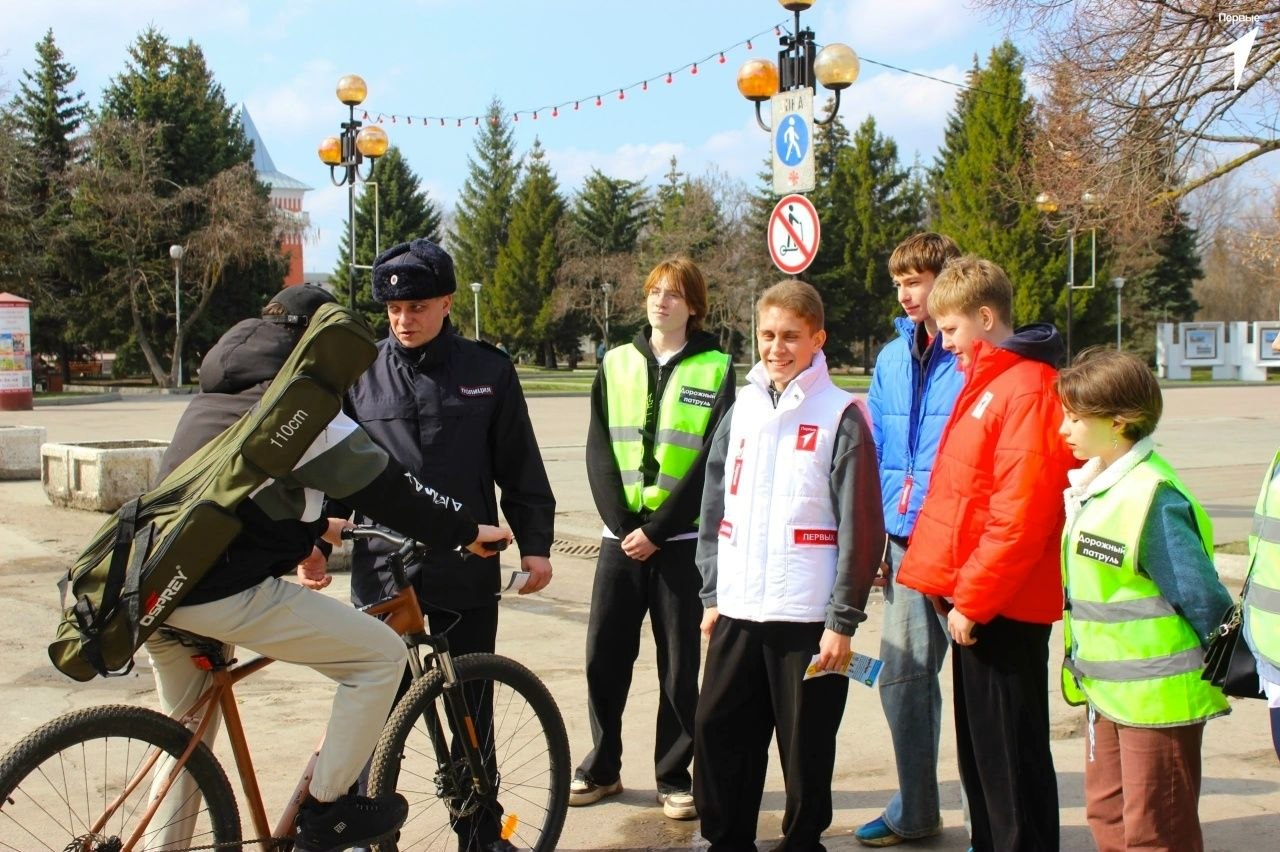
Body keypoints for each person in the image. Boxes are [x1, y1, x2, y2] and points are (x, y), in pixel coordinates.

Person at [145, 284, 512, 852]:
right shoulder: (298, 402)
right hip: (220, 589)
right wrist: (467, 530)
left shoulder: (225, 392)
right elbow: (389, 486)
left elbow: (239, 491)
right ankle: (328, 811)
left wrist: (317, 528)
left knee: (186, 744)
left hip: (157, 587)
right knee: (380, 657)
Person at [337, 238, 555, 849]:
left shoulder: (488, 371)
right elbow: (333, 464)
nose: (404, 320)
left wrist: (535, 545)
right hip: (383, 567)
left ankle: (481, 830)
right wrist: (312, 539)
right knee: (377, 707)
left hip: (467, 563)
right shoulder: (361, 373)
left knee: (470, 705)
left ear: (447, 304)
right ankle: (366, 823)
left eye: (418, 307)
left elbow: (519, 466)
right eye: (393, 310)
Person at [694, 280, 885, 851]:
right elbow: (713, 504)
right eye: (768, 335)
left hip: (809, 620)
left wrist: (842, 621)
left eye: (791, 337)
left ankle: (802, 843)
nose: (777, 348)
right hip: (739, 610)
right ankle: (727, 840)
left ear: (817, 339)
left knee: (804, 751)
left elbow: (862, 527)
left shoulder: (842, 415)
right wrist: (712, 595)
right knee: (718, 733)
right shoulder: (742, 406)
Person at [896, 256, 1076, 852]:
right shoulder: (993, 383)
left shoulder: (1025, 389)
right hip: (982, 602)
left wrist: (972, 601)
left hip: (1003, 609)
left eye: (950, 330)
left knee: (1011, 770)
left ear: (986, 315)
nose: (944, 344)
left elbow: (1019, 515)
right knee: (986, 766)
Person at [572, 257, 735, 820]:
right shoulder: (614, 362)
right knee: (603, 658)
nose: (659, 301)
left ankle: (673, 777)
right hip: (619, 541)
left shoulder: (717, 368)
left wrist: (659, 530)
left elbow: (713, 460)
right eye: (653, 292)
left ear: (694, 306)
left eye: (672, 294)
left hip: (681, 543)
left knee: (678, 665)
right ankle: (602, 766)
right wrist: (624, 528)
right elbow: (598, 449)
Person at [1056, 347, 1233, 852]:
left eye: (1074, 418)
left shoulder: (1152, 496)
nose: (1064, 430)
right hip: (1107, 693)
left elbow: (1203, 598)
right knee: (1108, 816)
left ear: (1118, 422)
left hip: (1158, 702)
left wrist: (1232, 663)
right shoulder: (1099, 488)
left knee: (1157, 833)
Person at [857, 232, 963, 847]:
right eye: (899, 281)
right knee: (901, 680)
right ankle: (917, 809)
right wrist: (872, 536)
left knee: (982, 699)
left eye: (916, 280)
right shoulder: (891, 357)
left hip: (960, 544)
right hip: (902, 543)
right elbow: (874, 452)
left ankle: (999, 821)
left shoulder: (971, 354)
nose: (905, 292)